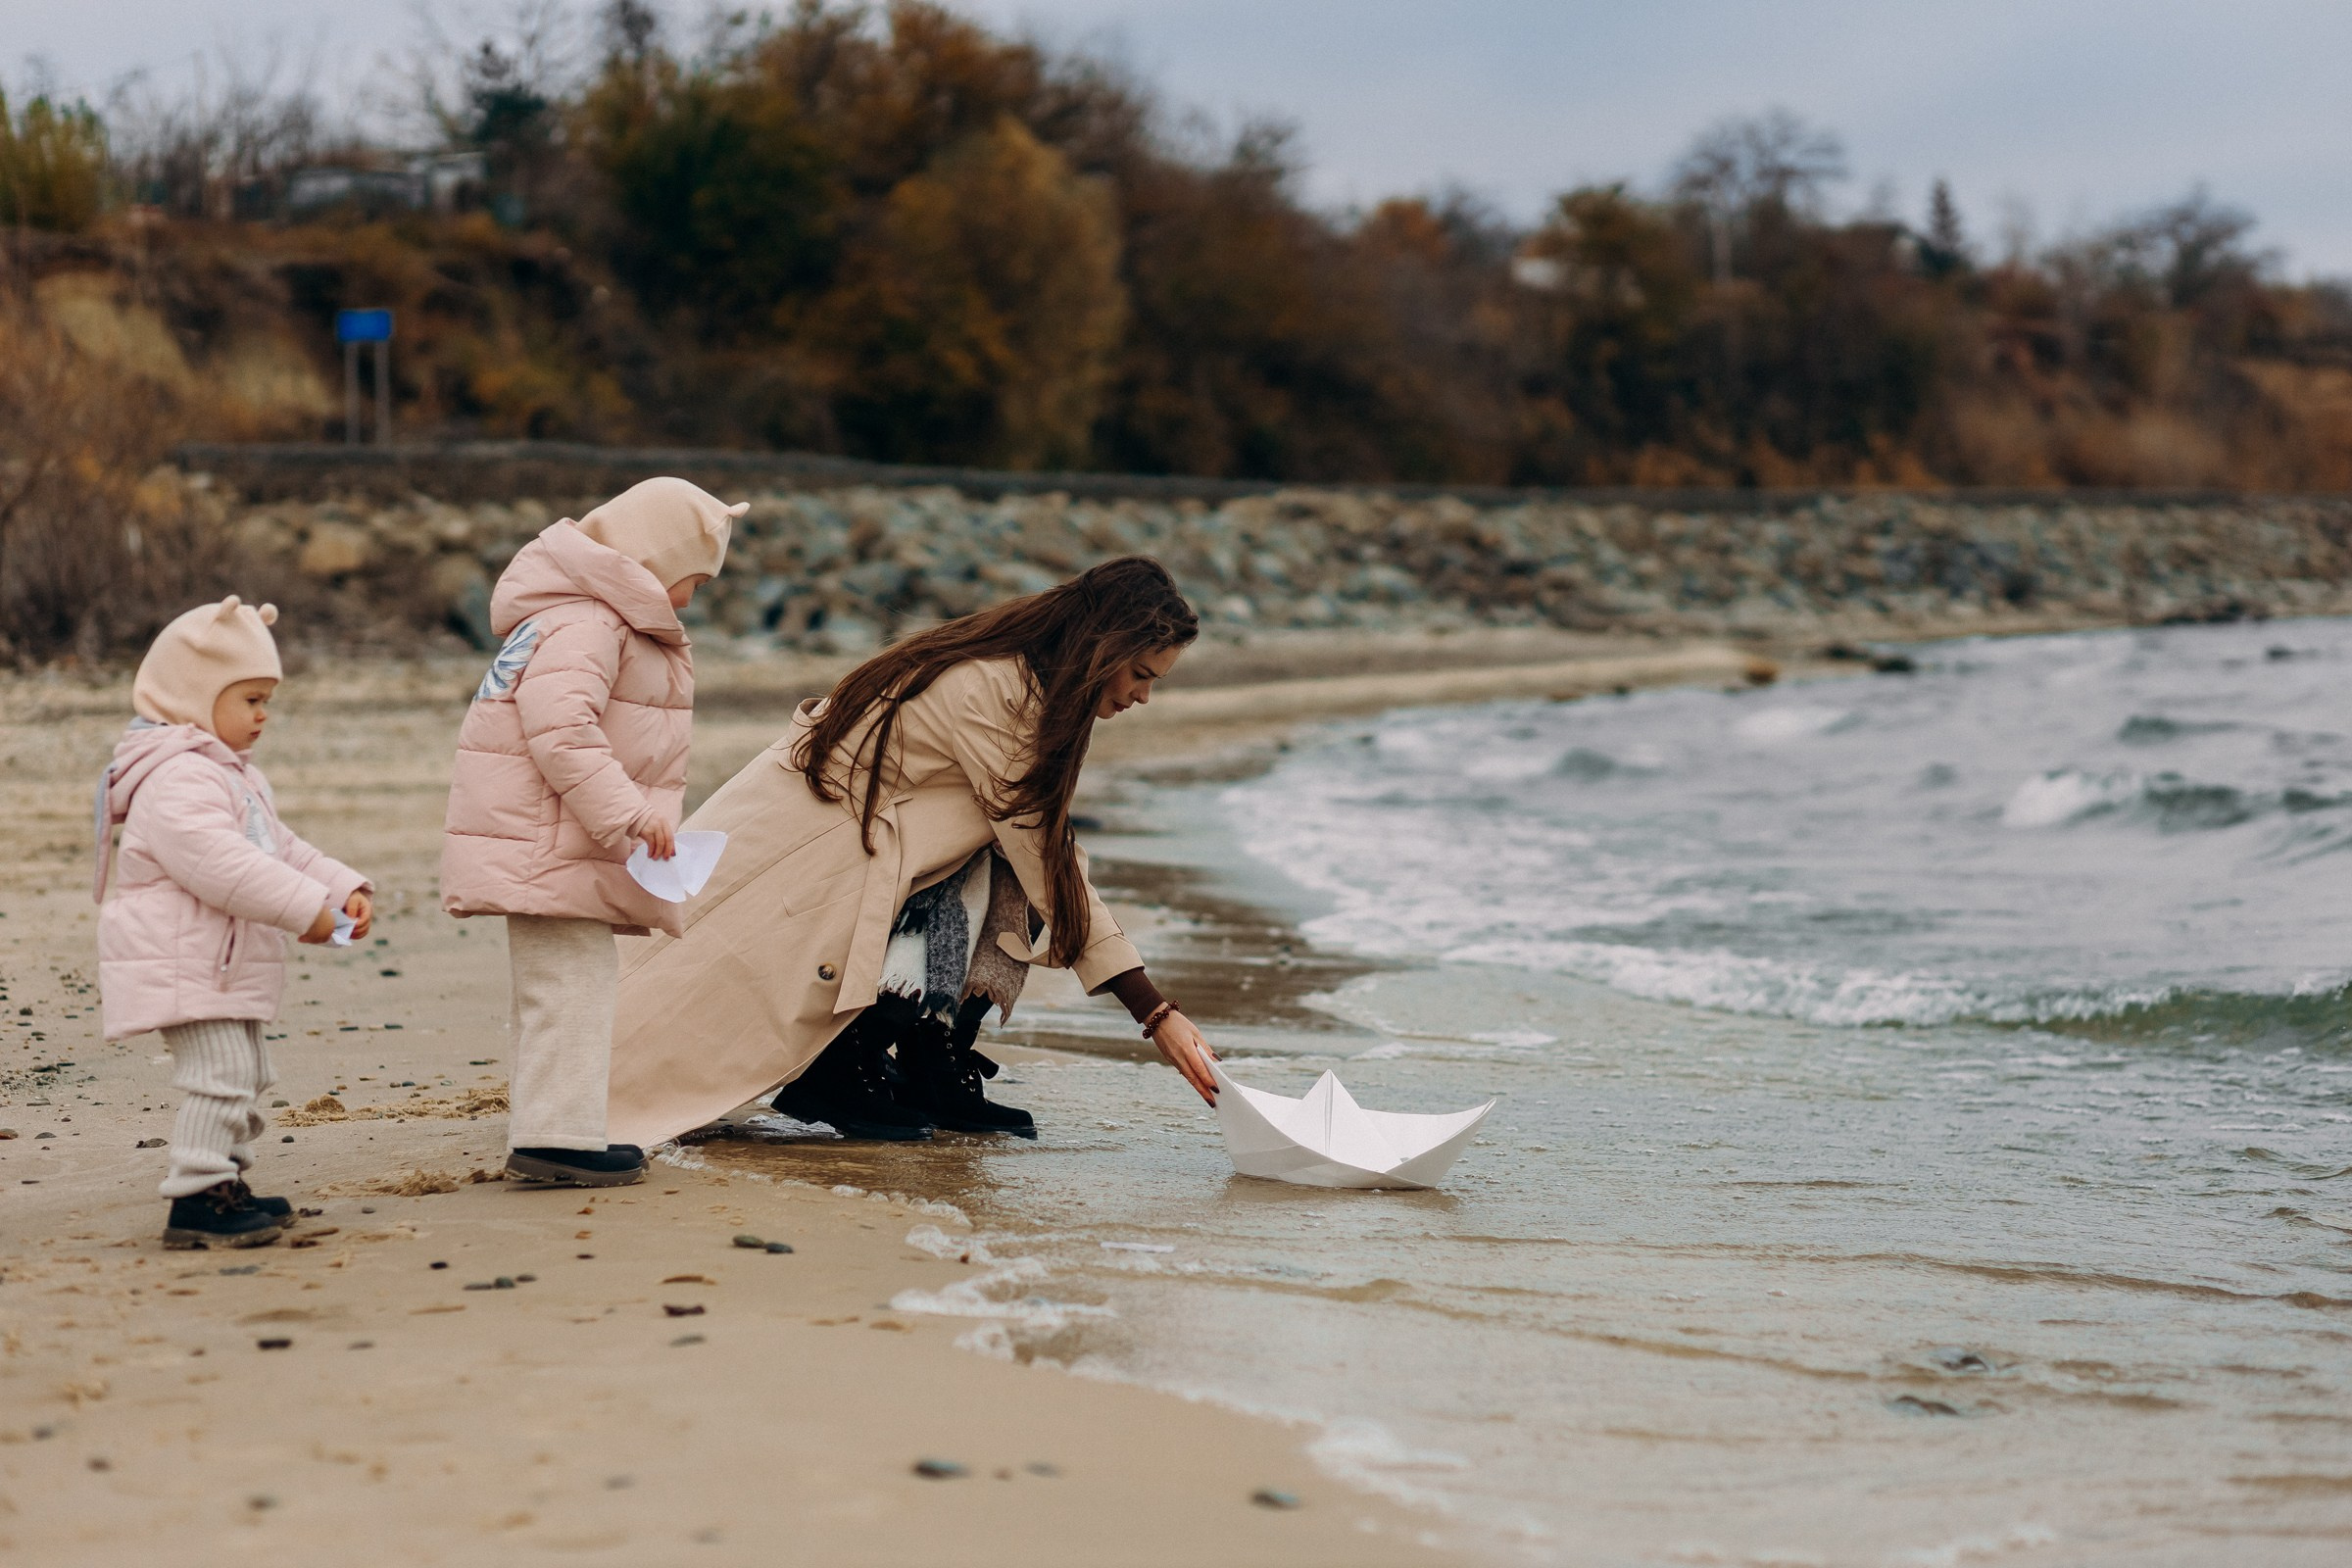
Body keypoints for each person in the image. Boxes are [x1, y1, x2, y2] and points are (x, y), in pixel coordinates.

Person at [603, 555, 1217, 1150]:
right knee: (1019, 869)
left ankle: (932, 1061)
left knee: (1007, 867)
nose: (1143, 696)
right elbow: (1043, 855)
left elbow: (1043, 843)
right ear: (1101, 649)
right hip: (817, 843)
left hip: (874, 838)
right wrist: (1154, 1012)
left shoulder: (1037, 687)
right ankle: (845, 1061)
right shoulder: (995, 690)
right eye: (1141, 674)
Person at [441, 476, 745, 1188]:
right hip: (549, 843)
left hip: (549, 840)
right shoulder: (588, 625)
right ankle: (556, 1140)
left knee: (560, 986)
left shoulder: (579, 619)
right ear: (653, 558)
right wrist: (629, 814)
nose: (690, 600)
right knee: (571, 987)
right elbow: (562, 732)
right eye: (693, 580)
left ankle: (551, 1128)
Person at [95, 597, 374, 1250]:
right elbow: (220, 865)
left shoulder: (231, 775)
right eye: (249, 699)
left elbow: (280, 848)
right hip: (186, 960)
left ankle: (226, 1183)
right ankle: (197, 1197)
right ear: (194, 697)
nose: (262, 715)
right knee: (220, 1073)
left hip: (219, 961)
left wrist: (340, 886)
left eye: (265, 700)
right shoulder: (177, 779)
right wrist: (304, 910)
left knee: (246, 1073)